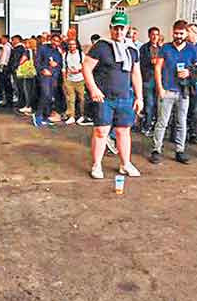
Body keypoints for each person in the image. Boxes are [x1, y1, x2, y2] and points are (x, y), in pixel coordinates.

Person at [82, 10, 143, 178]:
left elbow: (136, 74)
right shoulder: (101, 46)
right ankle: (96, 165)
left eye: (122, 28)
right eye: (116, 28)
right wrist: (93, 89)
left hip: (125, 97)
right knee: (101, 131)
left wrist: (139, 97)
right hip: (104, 98)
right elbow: (86, 67)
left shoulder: (132, 49)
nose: (119, 31)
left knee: (123, 131)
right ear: (110, 28)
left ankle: (125, 164)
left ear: (127, 28)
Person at [151, 20, 197, 164]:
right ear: (172, 32)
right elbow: (157, 68)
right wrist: (160, 88)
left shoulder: (191, 49)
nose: (178, 36)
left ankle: (180, 150)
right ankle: (156, 150)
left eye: (181, 33)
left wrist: (189, 72)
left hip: (183, 91)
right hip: (167, 90)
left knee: (181, 122)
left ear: (186, 33)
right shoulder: (166, 48)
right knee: (162, 122)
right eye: (176, 33)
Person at [33, 34, 63, 127]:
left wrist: (56, 65)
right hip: (44, 76)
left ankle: (46, 116)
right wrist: (42, 70)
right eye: (54, 40)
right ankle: (38, 115)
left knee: (50, 97)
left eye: (58, 41)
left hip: (54, 77)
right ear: (51, 40)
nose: (55, 43)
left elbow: (60, 65)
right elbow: (37, 61)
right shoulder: (43, 48)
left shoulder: (58, 52)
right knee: (45, 94)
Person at [138, 27, 162, 135]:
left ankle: (155, 127)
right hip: (148, 79)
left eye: (157, 34)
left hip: (159, 80)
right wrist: (150, 61)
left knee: (158, 105)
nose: (155, 36)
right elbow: (140, 63)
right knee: (149, 104)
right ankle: (146, 127)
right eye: (153, 34)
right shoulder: (144, 48)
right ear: (149, 35)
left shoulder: (162, 48)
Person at [63, 38, 88, 124]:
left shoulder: (81, 54)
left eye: (73, 44)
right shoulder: (65, 55)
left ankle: (82, 115)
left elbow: (85, 66)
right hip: (69, 80)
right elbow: (64, 68)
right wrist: (65, 80)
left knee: (82, 99)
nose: (71, 46)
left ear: (76, 45)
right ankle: (71, 116)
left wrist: (78, 70)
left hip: (80, 79)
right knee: (70, 99)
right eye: (70, 44)